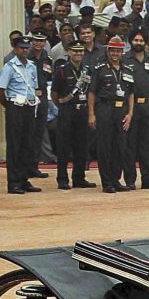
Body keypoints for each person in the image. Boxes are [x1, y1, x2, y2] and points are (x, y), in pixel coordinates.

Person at [88, 35, 133, 193]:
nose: (115, 54)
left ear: (122, 52)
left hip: (121, 110)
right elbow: (92, 93)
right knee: (105, 146)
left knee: (120, 146)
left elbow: (131, 93)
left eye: (118, 51)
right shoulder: (100, 69)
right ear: (108, 51)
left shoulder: (127, 70)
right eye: (112, 50)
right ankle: (107, 182)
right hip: (104, 109)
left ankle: (116, 179)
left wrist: (130, 113)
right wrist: (91, 114)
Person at [52, 40, 95, 190]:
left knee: (82, 145)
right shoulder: (62, 70)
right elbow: (54, 94)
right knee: (63, 146)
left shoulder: (87, 70)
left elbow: (90, 91)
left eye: (81, 51)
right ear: (69, 52)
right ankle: (62, 179)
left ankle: (79, 177)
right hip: (67, 110)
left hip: (82, 110)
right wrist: (63, 106)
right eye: (75, 51)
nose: (78, 54)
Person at [0, 36, 41, 194]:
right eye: (21, 47)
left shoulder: (31, 66)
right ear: (15, 49)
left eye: (26, 47)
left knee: (27, 143)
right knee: (15, 145)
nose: (24, 50)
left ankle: (24, 179)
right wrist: (10, 106)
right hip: (15, 106)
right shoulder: (10, 67)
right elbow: (2, 90)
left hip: (29, 106)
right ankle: (14, 182)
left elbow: (34, 87)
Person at [123, 28, 149, 190]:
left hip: (148, 105)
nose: (138, 43)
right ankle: (130, 179)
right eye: (135, 40)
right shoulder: (124, 60)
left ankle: (147, 178)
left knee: (147, 143)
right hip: (130, 106)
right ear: (130, 41)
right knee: (130, 143)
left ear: (145, 42)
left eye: (141, 40)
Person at [27, 31, 51, 180]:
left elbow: (49, 77)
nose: (38, 43)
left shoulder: (47, 59)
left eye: (41, 41)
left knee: (39, 133)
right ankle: (26, 166)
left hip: (42, 97)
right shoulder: (26, 58)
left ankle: (34, 166)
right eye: (36, 40)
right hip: (29, 98)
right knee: (28, 132)